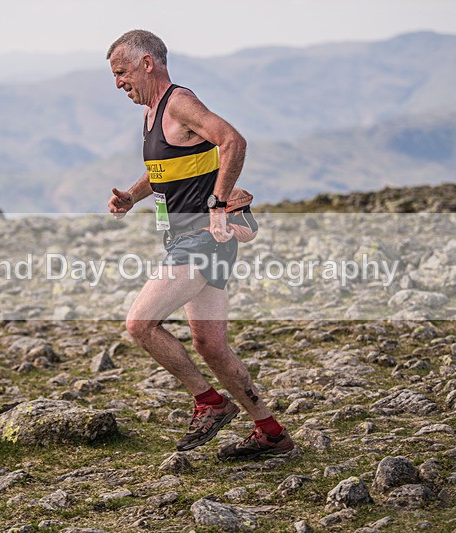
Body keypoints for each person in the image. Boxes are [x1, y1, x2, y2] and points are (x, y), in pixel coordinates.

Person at [106, 30, 294, 460]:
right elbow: (164, 169)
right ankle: (271, 433)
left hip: (203, 239)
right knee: (211, 346)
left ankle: (209, 402)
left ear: (147, 63)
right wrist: (132, 197)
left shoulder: (178, 102)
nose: (118, 83)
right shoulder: (153, 113)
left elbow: (233, 141)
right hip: (191, 239)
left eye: (122, 72)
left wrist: (219, 202)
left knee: (140, 324)